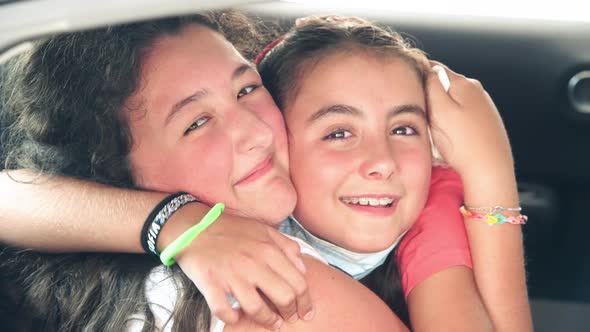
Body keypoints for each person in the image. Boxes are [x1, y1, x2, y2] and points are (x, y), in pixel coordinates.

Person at [0, 11, 532, 332]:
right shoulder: (256, 287)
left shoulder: (400, 200)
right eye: (197, 121)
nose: (255, 130)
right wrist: (490, 171)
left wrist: (173, 220)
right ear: (112, 173)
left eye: (247, 88)